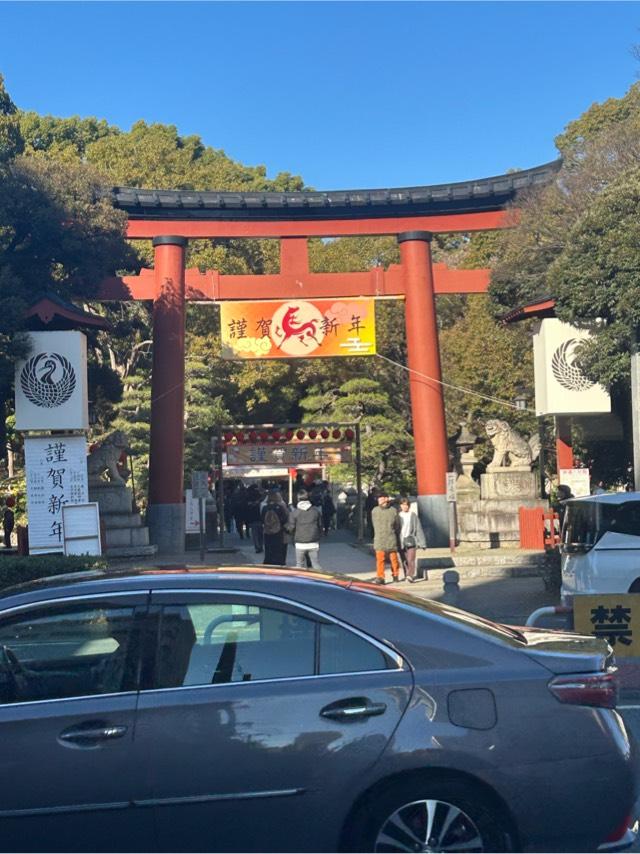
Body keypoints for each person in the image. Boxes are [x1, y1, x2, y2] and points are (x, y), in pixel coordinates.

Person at [371, 491, 401, 584]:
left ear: (387, 499)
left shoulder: (393, 510)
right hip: (379, 538)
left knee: (394, 559)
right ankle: (380, 577)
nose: (379, 500)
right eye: (379, 498)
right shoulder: (375, 510)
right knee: (380, 560)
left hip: (391, 537)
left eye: (382, 498)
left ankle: (395, 574)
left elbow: (397, 525)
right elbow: (373, 524)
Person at [288, 489, 323, 569]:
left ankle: (301, 581)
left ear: (298, 499)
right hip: (313, 541)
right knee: (315, 564)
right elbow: (320, 525)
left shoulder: (295, 513)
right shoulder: (315, 511)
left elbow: (291, 527)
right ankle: (319, 579)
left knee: (299, 565)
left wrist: (290, 535)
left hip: (300, 542)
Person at [398, 497, 426, 582]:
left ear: (409, 506)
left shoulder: (413, 515)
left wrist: (422, 543)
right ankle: (407, 574)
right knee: (404, 560)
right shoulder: (398, 515)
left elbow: (418, 528)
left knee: (411, 559)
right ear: (400, 506)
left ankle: (410, 575)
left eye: (406, 505)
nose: (404, 506)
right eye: (403, 505)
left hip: (411, 539)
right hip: (401, 540)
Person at [261, 491, 288, 565]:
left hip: (267, 532)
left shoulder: (265, 508)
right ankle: (278, 562)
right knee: (278, 549)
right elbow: (284, 519)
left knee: (268, 548)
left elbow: (262, 519)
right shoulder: (280, 507)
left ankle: (269, 562)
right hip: (278, 531)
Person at [245, 485, 264, 553]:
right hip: (260, 518)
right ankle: (260, 546)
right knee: (260, 534)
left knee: (255, 534)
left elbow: (246, 508)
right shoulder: (260, 498)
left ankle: (257, 547)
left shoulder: (248, 498)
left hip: (252, 519)